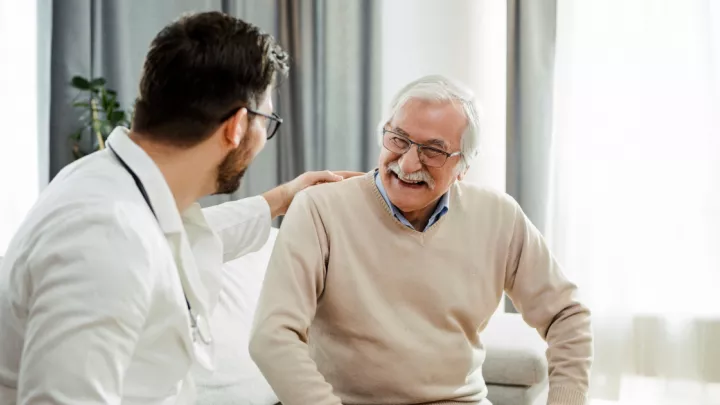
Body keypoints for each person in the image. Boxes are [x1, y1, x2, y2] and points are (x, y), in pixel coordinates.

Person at [0, 11, 359, 405]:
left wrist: (279, 200)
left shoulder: (113, 185)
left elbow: (183, 236)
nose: (264, 139)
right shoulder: (106, 236)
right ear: (237, 126)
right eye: (268, 121)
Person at [249, 75, 593, 405]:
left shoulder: (499, 216)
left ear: (463, 167)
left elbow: (566, 314)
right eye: (398, 139)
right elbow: (273, 336)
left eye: (433, 151)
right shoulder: (319, 209)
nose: (409, 162)